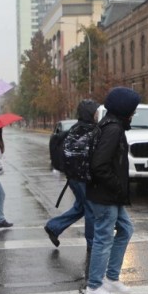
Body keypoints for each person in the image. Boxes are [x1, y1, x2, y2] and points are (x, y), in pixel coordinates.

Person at [84, 87, 139, 294]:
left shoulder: (111, 125)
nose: (134, 114)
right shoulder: (113, 129)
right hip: (106, 195)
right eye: (132, 109)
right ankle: (95, 287)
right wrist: (117, 186)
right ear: (124, 109)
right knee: (104, 238)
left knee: (126, 229)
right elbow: (99, 165)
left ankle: (111, 278)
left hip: (110, 195)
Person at [44, 99, 98, 251]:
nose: (97, 115)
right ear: (89, 113)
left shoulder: (76, 128)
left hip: (75, 177)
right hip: (81, 178)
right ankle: (92, 244)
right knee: (90, 210)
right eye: (95, 112)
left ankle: (54, 227)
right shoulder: (86, 131)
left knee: (81, 207)